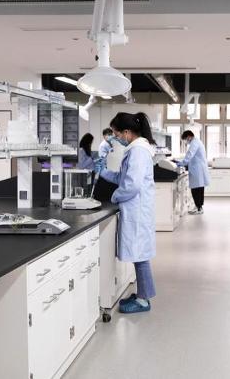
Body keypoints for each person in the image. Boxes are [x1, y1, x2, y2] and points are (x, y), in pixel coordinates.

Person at [99, 112, 157, 314]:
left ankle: (143, 300)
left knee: (140, 256)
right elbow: (123, 178)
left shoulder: (138, 151)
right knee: (140, 255)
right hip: (136, 209)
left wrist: (114, 197)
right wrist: (103, 172)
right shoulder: (135, 149)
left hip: (137, 211)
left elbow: (131, 185)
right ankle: (143, 294)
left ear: (126, 132)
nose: (115, 138)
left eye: (116, 134)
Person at [177, 130, 210, 215]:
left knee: (196, 190)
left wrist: (182, 163)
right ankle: (199, 207)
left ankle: (199, 208)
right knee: (199, 189)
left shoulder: (194, 143)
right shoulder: (197, 141)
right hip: (198, 169)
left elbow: (189, 154)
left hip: (197, 170)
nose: (186, 141)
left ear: (189, 136)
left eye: (185, 139)